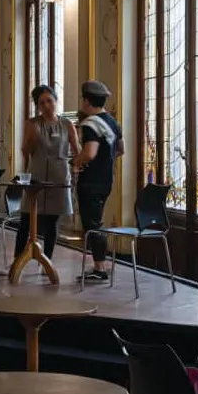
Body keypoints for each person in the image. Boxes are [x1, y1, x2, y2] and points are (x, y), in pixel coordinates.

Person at [18, 85, 78, 269]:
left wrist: (77, 169)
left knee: (52, 223)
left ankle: (47, 263)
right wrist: (31, 138)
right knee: (26, 221)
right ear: (37, 106)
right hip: (36, 175)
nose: (46, 106)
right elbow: (26, 151)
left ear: (55, 100)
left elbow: (77, 150)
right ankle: (16, 262)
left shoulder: (67, 124)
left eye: (49, 101)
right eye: (42, 103)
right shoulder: (32, 124)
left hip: (59, 177)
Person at [73, 80, 123, 282]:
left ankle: (99, 268)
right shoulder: (113, 122)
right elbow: (120, 149)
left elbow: (89, 153)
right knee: (97, 220)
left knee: (92, 224)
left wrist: (76, 162)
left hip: (91, 180)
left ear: (86, 101)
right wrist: (106, 160)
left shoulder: (90, 123)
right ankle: (99, 265)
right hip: (106, 179)